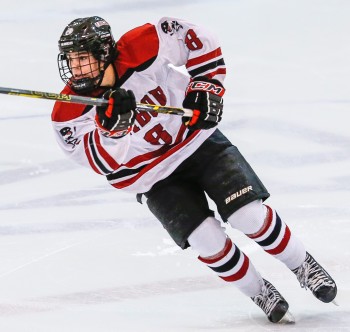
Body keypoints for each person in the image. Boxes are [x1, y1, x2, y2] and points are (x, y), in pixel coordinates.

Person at [51, 16, 337, 323]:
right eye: (71, 59)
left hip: (198, 142)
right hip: (151, 176)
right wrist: (112, 130)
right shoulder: (67, 112)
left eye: (83, 58)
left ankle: (301, 264)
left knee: (248, 216)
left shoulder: (142, 44)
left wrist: (206, 85)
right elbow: (106, 164)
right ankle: (259, 290)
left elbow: (196, 38)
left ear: (104, 52)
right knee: (206, 240)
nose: (76, 68)